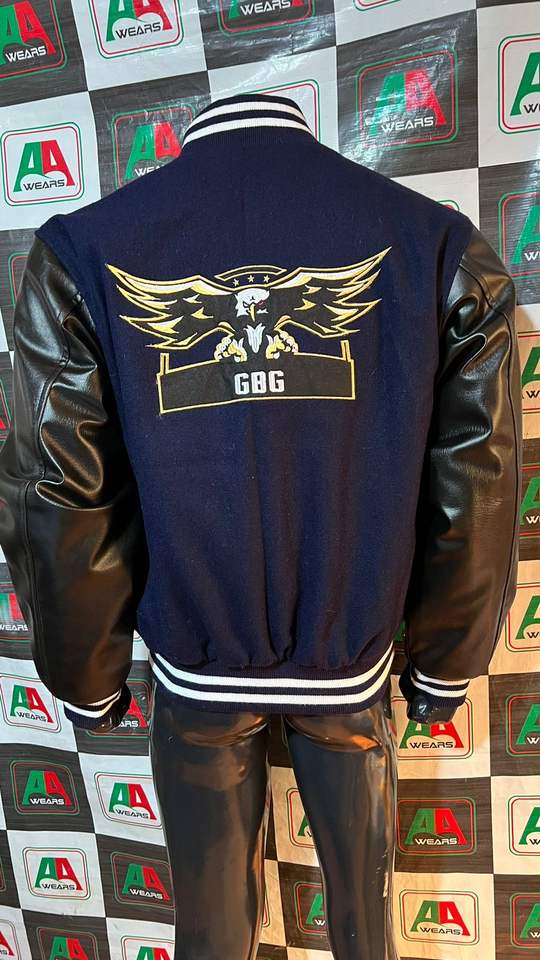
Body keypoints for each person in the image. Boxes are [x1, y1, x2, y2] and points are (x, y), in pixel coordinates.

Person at [0, 92, 522, 958]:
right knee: (366, 928)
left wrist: (86, 675)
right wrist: (444, 663)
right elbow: (478, 478)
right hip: (348, 664)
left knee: (212, 930)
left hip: (196, 674)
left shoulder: (86, 251)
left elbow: (61, 490)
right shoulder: (433, 243)